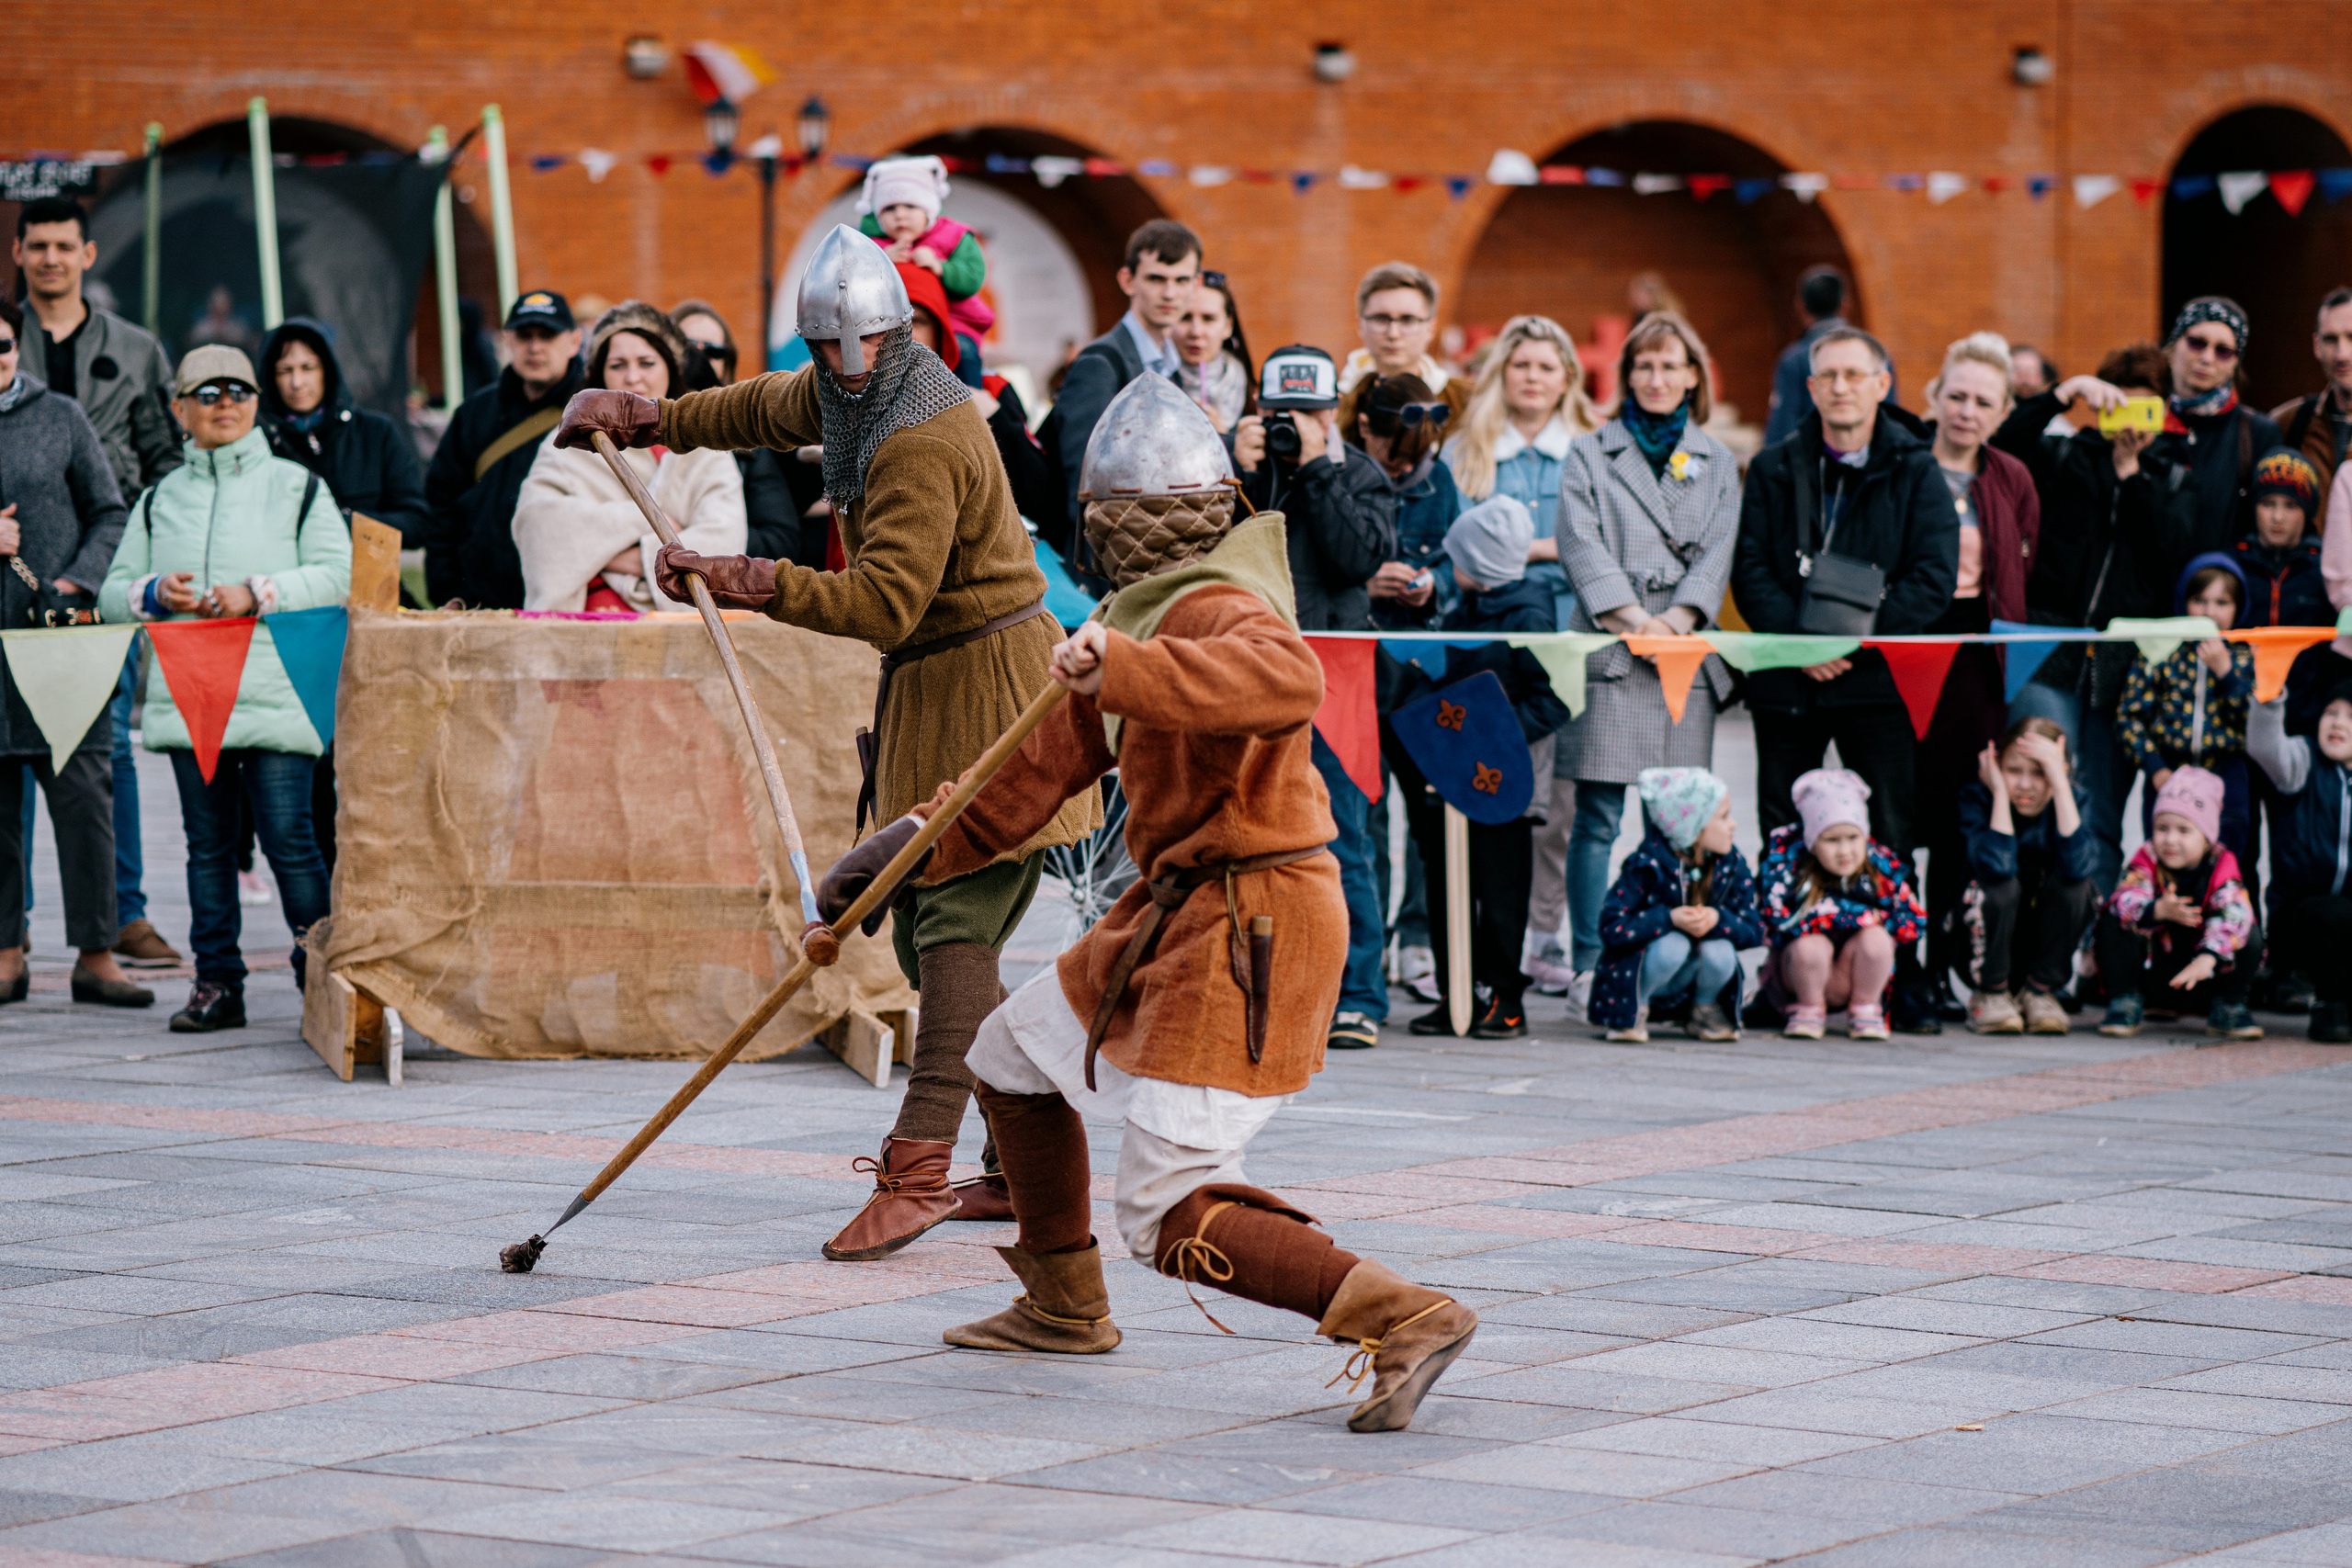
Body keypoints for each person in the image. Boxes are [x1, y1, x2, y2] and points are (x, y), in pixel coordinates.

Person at [820, 375, 1476, 1434]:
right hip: (1164, 913)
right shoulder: (1127, 625)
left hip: (1257, 922)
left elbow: (1287, 685)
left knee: (1167, 1206)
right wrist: (894, 855)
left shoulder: (1222, 607)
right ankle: (1062, 1303)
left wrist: (1123, 665)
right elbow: (1017, 784)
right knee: (1006, 1056)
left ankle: (1398, 1311)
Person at [564, 227, 1097, 1262]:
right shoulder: (856, 389)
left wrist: (742, 576)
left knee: (951, 935)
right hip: (941, 690)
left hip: (991, 698)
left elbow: (888, 601)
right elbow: (763, 406)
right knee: (925, 933)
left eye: (836, 355)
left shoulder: (922, 437)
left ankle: (918, 1172)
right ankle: (1013, 1168)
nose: (825, 372)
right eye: (818, 355)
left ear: (880, 343)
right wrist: (649, 416)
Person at [97, 345, 351, 1033]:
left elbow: (336, 574)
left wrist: (259, 590)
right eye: (207, 392)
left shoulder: (297, 486)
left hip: (275, 690)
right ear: (180, 410)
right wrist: (152, 590)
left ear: (256, 403)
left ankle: (322, 976)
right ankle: (217, 983)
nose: (225, 402)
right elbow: (111, 596)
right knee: (205, 846)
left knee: (291, 839)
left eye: (238, 389)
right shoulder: (157, 499)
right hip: (191, 691)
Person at [1733, 326, 1954, 1032]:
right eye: (1828, 375)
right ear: (1811, 386)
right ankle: (1785, 979)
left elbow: (1932, 579)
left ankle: (1898, 981)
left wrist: (1852, 642)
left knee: (1888, 831)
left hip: (1874, 677)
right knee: (1781, 830)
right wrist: (1802, 643)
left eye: (1855, 375)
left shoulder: (1917, 469)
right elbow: (1752, 572)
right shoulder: (1774, 466)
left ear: (1883, 383)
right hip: (1790, 678)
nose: (1841, 388)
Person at [1552, 311, 1744, 1016]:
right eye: (1644, 366)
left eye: (1670, 365)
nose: (1657, 378)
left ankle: (1675, 960)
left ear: (1693, 374)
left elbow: (1717, 549)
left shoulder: (1718, 460)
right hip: (1612, 647)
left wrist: (1678, 621)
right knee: (1596, 817)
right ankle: (1589, 960)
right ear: (1626, 375)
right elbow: (1580, 542)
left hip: (1681, 654)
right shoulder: (1589, 453)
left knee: (1679, 820)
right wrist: (1635, 620)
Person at [13, 196, 184, 972]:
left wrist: (147, 561)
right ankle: (9, 928)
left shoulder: (139, 349)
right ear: (17, 253)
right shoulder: (5, 341)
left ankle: (123, 916)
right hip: (14, 587)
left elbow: (163, 460)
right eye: (37, 245)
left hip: (106, 578)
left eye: (64, 245)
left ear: (87, 254)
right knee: (9, 755)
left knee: (103, 749)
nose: (51, 258)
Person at [1233, 345, 1396, 1052]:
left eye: (1309, 413)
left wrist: (1321, 468)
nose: (1293, 426)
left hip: (1336, 675)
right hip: (1253, 667)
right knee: (1245, 832)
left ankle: (1359, 994)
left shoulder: (1358, 473)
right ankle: (1265, 982)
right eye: (1280, 414)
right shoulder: (1246, 466)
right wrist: (1237, 467)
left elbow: (1357, 559)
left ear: (1335, 413)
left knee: (1345, 838)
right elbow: (1212, 547)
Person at [1996, 343, 2199, 897]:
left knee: (2103, 810)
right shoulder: (2065, 455)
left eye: (2145, 410)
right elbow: (1999, 449)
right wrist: (2063, 393)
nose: (2131, 423)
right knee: (2031, 790)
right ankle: (2026, 928)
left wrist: (2131, 474)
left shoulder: (2174, 475)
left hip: (2123, 662)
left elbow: (2170, 555)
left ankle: (2092, 944)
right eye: (2120, 408)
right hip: (2047, 642)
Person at [0, 298, 148, 1010]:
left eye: (0, 345)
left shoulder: (59, 415)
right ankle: (6, 951)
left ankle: (97, 954)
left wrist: (75, 580)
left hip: (57, 638)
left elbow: (110, 509)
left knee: (86, 798)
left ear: (17, 345)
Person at [1386, 496, 1568, 1040]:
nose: (1451, 567)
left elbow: (1551, 701)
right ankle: (1457, 994)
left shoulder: (1529, 617)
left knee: (1501, 891)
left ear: (1483, 565)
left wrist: (1492, 733)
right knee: (1448, 885)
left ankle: (1505, 999)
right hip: (1450, 781)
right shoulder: (1463, 610)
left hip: (1504, 783)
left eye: (1459, 558)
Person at [1915, 333, 2041, 1021]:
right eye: (1956, 395)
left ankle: (1944, 962)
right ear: (1935, 397)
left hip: (1977, 662)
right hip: (1907, 653)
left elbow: (2021, 558)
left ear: (2001, 412)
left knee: (1959, 820)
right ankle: (1901, 963)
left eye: (1982, 401)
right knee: (1902, 809)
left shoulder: (2012, 477)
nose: (1966, 411)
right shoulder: (1904, 467)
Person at [513, 303, 744, 613]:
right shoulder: (568, 444)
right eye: (618, 365)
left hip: (687, 635)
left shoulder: (705, 447)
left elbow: (723, 541)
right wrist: (647, 522)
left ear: (670, 367)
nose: (632, 377)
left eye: (646, 363)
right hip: (587, 627)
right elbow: (538, 525)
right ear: (600, 373)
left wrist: (607, 553)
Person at [1442, 313, 1605, 633]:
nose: (1532, 377)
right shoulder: (1461, 451)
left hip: (1580, 628)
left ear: (1567, 378)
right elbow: (1461, 556)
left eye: (1546, 368)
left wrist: (1513, 551)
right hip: (1489, 628)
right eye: (1520, 366)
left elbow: (1609, 547)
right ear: (1501, 373)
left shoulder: (1599, 451)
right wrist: (1550, 548)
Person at [1047, 220, 1203, 556]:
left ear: (1196, 284)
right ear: (1128, 280)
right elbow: (1086, 485)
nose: (1170, 293)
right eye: (1156, 279)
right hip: (1109, 565)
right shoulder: (1099, 364)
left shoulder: (1170, 367)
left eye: (1181, 280)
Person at [424, 290, 585, 608]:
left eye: (547, 335)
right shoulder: (475, 412)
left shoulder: (595, 412)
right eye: (525, 335)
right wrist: (448, 591)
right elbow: (440, 504)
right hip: (478, 605)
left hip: (566, 605)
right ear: (507, 340)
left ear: (574, 341)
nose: (535, 347)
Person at [1589, 769, 1760, 1044]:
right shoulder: (1648, 863)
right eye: (1723, 816)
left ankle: (1703, 1008)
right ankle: (1635, 1009)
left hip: (1691, 977)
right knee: (1674, 945)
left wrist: (1718, 919)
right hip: (1644, 973)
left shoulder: (1730, 864)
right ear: (1691, 826)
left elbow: (1754, 930)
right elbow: (1612, 926)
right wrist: (1669, 918)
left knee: (1721, 951)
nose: (1733, 825)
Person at [1757, 769, 1926, 1041]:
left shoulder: (1880, 868)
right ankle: (1808, 1008)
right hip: (1802, 975)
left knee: (1877, 939)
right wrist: (1849, 918)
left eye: (1853, 837)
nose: (1845, 851)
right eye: (1832, 840)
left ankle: (1866, 1007)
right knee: (1809, 945)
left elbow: (1912, 922)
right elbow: (1774, 920)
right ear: (1812, 841)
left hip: (1854, 973)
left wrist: (1867, 923)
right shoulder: (1789, 868)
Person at [1951, 718, 2098, 1034]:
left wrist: (2060, 785)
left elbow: (2079, 868)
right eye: (2014, 771)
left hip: (2040, 952)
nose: (2026, 785)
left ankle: (2039, 992)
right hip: (1985, 950)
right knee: (1999, 884)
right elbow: (1997, 867)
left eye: (2040, 772)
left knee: (2078, 886)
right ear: (1997, 766)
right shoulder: (1978, 799)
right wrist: (2000, 796)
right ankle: (1991, 994)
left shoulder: (2073, 800)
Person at [2095, 766, 2260, 1040]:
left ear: (2206, 836)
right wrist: (2155, 910)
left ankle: (2228, 1007)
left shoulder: (2221, 863)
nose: (2170, 840)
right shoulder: (2147, 858)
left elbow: (2235, 915)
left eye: (2184, 830)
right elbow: (2125, 898)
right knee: (2113, 916)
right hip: (2154, 976)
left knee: (2248, 930)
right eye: (2162, 828)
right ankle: (2124, 1001)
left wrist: (2209, 956)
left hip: (2204, 975)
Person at [895, 263, 1059, 536]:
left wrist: (997, 421)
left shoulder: (991, 390)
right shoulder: (848, 394)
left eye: (918, 322)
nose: (904, 333)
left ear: (940, 329)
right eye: (893, 322)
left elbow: (1038, 499)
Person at [2117, 558, 2257, 874]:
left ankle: (2227, 923)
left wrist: (2227, 674)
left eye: (2222, 602)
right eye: (2199, 600)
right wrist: (2155, 768)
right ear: (2184, 601)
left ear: (2238, 607)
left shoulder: (2247, 656)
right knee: (2166, 862)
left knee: (2227, 863)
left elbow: (2255, 725)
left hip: (2226, 774)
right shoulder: (2160, 651)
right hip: (2168, 773)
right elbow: (2130, 717)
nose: (2209, 612)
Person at [673, 300, 830, 569]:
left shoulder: (749, 449)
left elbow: (780, 542)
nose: (699, 359)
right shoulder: (634, 436)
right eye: (686, 348)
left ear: (728, 362)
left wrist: (700, 535)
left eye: (713, 350)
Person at [256, 320, 430, 545]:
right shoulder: (260, 443)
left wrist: (345, 524)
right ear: (271, 378)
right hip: (292, 579)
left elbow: (417, 524)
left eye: (308, 368)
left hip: (368, 577)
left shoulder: (376, 433)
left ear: (327, 370)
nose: (297, 382)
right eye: (284, 371)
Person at [2247, 681, 2352, 1042]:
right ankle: (2331, 1005)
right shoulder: (2303, 760)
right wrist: (2270, 697)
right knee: (2333, 914)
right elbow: (2263, 745)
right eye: (2331, 713)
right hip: (2300, 917)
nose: (2337, 724)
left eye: (2350, 717)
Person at [2153, 298, 2281, 558]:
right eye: (2196, 343)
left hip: (2217, 592)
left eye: (2223, 351)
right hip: (2144, 594)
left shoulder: (2257, 432)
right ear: (2173, 346)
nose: (2207, 358)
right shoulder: (2146, 422)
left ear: (2235, 364)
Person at [856, 155, 989, 387]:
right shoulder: (870, 245)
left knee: (964, 351)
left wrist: (941, 267)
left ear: (929, 209)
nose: (900, 214)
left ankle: (971, 400)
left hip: (952, 318)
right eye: (889, 208)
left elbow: (972, 277)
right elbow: (850, 282)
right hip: (885, 327)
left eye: (910, 206)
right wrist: (882, 260)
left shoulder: (953, 237)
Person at [1355, 374, 1462, 631]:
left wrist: (1433, 584)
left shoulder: (1439, 478)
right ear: (1364, 427)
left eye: (1419, 456)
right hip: (1356, 637)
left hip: (1418, 638)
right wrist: (1364, 588)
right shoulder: (1337, 480)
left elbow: (1458, 563)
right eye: (1397, 456)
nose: (1408, 468)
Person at [1336, 263, 1471, 438]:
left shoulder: (1462, 400)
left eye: (1408, 320)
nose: (1393, 333)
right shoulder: (1336, 402)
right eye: (1381, 318)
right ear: (1360, 324)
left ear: (1431, 328)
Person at [2269, 288, 2352, 491]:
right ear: (2317, 345)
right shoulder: (2288, 423)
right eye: (2331, 339)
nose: (2342, 354)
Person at [1765, 266, 1857, 446]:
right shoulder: (1879, 357)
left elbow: (1782, 431)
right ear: (1846, 304)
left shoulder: (1795, 360)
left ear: (1800, 306)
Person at [1170, 273, 1252, 433]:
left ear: (1228, 326)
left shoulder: (1246, 387)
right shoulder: (1153, 380)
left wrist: (1223, 439)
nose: (1196, 332)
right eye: (1185, 317)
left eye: (1208, 319)